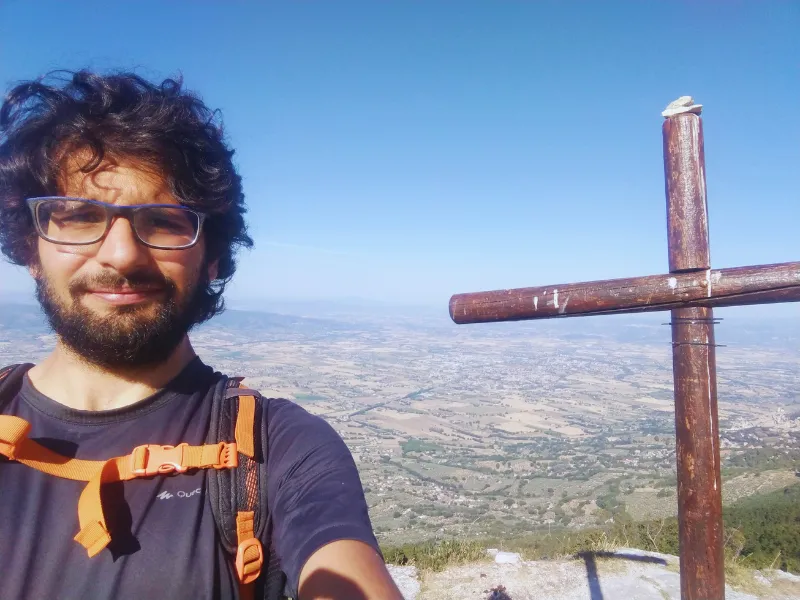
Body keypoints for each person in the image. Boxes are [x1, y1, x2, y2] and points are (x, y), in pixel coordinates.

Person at [0, 70, 404, 600]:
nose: (121, 255)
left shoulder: (278, 448)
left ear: (211, 257)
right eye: (78, 216)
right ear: (30, 249)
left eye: (165, 221)